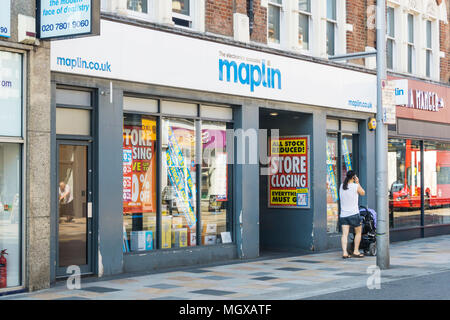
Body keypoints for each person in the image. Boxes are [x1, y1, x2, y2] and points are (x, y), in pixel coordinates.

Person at [340, 170, 365, 259]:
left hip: (343, 214)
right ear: (354, 177)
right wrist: (358, 183)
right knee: (358, 233)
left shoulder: (342, 186)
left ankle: (345, 253)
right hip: (354, 214)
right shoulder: (355, 186)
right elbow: (363, 193)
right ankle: (356, 251)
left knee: (344, 234)